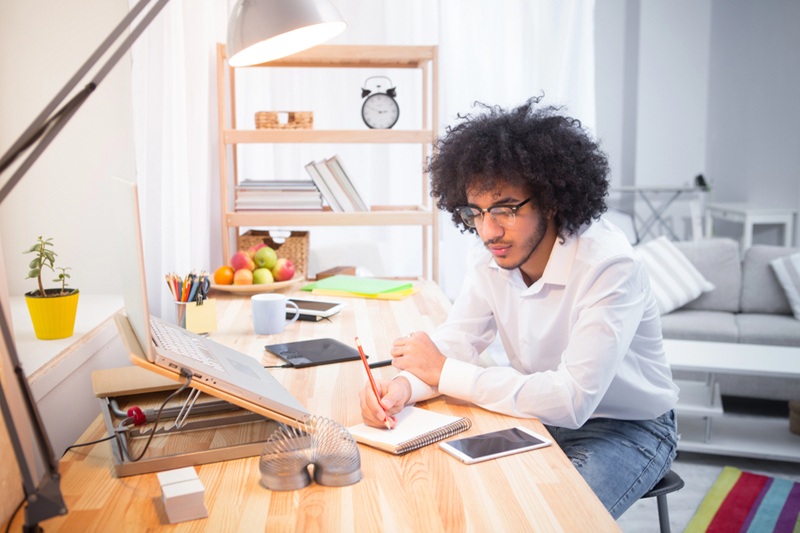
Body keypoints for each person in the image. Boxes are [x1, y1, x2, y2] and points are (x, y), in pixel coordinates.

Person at [358, 97, 680, 519]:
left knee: (543, 518)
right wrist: (402, 388)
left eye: (506, 209)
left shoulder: (609, 266)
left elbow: (571, 400)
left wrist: (440, 370)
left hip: (626, 428)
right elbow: (459, 341)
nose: (489, 230)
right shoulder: (491, 256)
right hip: (534, 412)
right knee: (451, 496)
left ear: (550, 199)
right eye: (476, 212)